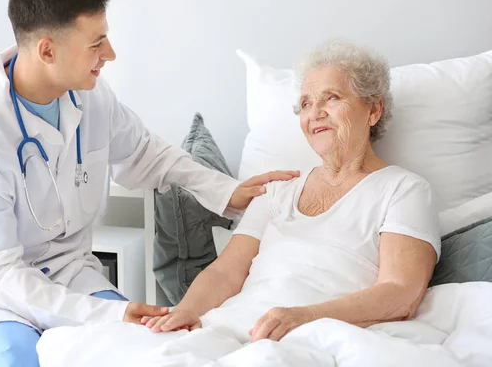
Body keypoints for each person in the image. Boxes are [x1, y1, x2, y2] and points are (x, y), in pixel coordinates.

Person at [0, 0, 298, 366]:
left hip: (66, 269)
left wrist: (226, 190)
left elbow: (145, 153)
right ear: (47, 51)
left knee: (130, 346)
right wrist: (109, 312)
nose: (109, 54)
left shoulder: (88, 96)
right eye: (96, 43)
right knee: (15, 356)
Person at [143, 39, 441, 344]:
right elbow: (225, 273)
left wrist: (305, 317)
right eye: (306, 103)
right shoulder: (276, 192)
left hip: (321, 336)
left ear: (373, 110)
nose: (315, 113)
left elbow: (400, 292)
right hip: (233, 328)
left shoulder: (404, 190)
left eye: (332, 98)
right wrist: (186, 311)